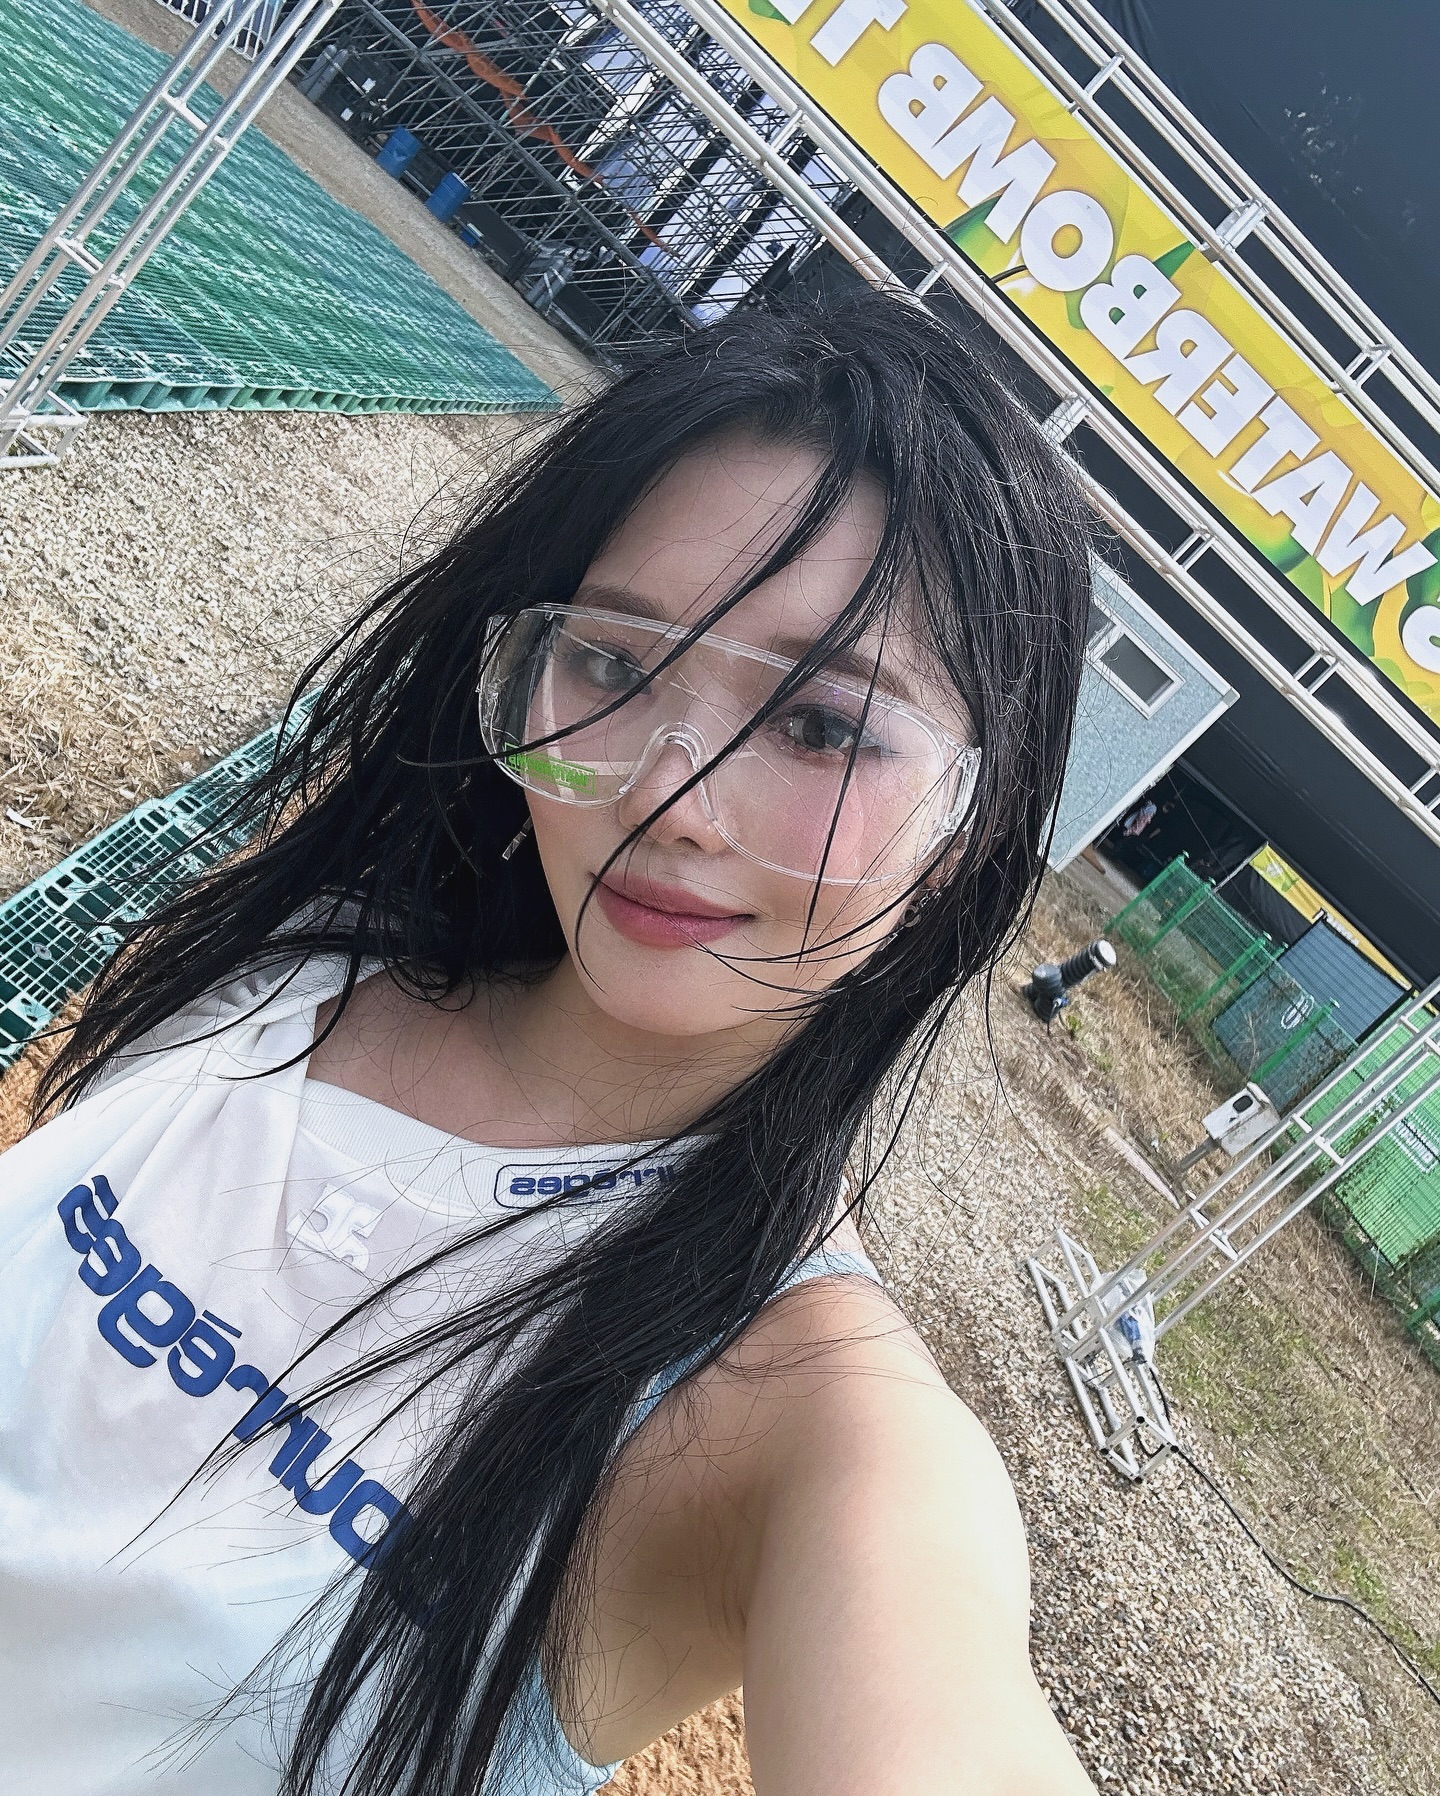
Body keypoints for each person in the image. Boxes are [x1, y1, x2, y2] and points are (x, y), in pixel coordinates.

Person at [0, 291, 1098, 1796]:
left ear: (970, 826)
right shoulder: (307, 952)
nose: (667, 800)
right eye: (617, 664)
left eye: (823, 729)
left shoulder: (808, 1427)